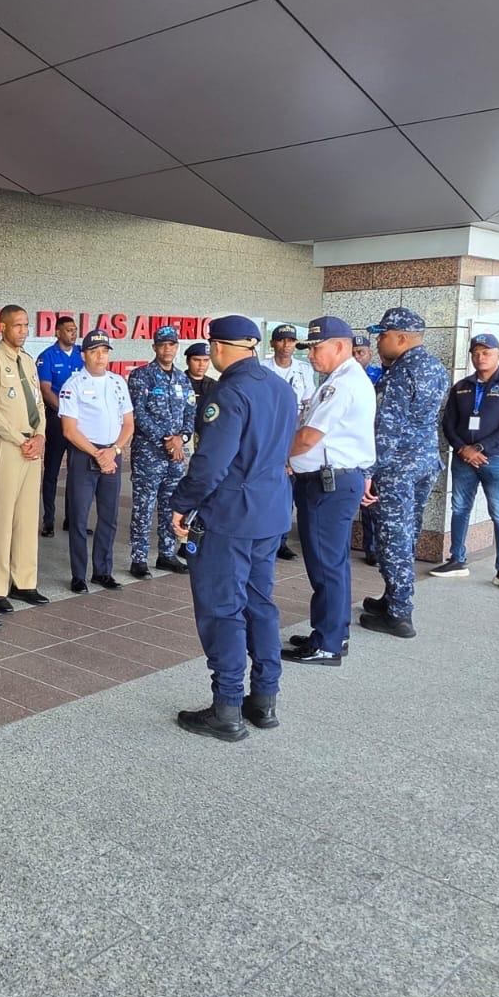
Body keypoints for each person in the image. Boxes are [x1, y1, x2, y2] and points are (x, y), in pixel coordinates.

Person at [170, 316, 297, 741]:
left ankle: (226, 708)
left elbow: (210, 464)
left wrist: (182, 504)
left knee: (222, 608)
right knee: (260, 604)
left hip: (230, 517)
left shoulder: (228, 391)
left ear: (219, 347)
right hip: (271, 511)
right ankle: (263, 700)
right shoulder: (280, 387)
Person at [279, 317, 376, 668]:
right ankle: (333, 631)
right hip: (329, 481)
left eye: (316, 347)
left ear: (339, 346)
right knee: (332, 564)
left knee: (325, 567)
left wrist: (273, 456)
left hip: (327, 485)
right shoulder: (338, 380)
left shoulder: (343, 385)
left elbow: (308, 437)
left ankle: (328, 643)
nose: (312, 355)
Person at [358, 307, 451, 640]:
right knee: (407, 532)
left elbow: (388, 427)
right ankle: (393, 597)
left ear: (401, 337)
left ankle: (399, 614)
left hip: (396, 466)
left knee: (393, 536)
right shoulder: (436, 368)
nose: (379, 341)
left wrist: (368, 471)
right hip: (425, 462)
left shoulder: (400, 373)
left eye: (382, 335)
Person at [433, 333, 499, 591]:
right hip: (464, 459)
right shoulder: (462, 386)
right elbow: (448, 424)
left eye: (486, 352)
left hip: (496, 459)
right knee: (459, 509)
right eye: (476, 353)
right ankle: (457, 559)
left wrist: (479, 448)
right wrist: (463, 449)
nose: (480, 357)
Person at [0, 304, 49, 613]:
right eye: (17, 325)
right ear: (2, 328)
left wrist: (40, 436)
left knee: (26, 516)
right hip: (8, 446)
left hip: (32, 445)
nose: (23, 330)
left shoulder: (29, 363)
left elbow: (39, 405)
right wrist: (21, 440)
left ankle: (24, 582)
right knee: (1, 517)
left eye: (26, 325)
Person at [58, 328, 133, 593]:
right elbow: (69, 430)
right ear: (84, 355)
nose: (100, 357)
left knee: (109, 517)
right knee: (79, 519)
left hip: (112, 454)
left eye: (104, 351)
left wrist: (113, 450)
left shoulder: (118, 382)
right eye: (94, 352)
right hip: (84, 455)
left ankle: (103, 571)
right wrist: (98, 454)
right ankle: (79, 575)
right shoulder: (73, 385)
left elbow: (128, 424)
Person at [127, 325, 196, 578]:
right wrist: (166, 440)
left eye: (172, 344)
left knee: (171, 505)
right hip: (149, 454)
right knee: (143, 507)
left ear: (177, 348)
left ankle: (167, 554)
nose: (168, 349)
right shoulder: (140, 376)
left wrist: (182, 438)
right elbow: (138, 414)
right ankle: (139, 558)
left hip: (176, 456)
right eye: (163, 344)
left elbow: (190, 414)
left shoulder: (183, 379)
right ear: (154, 347)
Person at [261, 324, 316, 561]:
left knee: (289, 493)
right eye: (282, 340)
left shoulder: (303, 369)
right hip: (268, 438)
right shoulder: (263, 368)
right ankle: (266, 538)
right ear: (273, 343)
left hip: (294, 438)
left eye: (291, 341)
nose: (286, 345)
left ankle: (281, 541)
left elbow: (309, 403)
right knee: (267, 491)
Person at [36, 315, 84, 536]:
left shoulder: (82, 355)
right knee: (52, 471)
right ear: (57, 332)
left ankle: (71, 519)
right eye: (68, 330)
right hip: (56, 420)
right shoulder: (47, 357)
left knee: (77, 471)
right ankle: (48, 520)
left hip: (80, 421)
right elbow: (45, 390)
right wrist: (65, 412)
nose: (72, 333)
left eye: (74, 330)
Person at [352, 331, 383, 566]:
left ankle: (372, 548)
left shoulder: (379, 377)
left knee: (371, 500)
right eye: (352, 353)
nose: (356, 357)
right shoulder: (339, 377)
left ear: (369, 354)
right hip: (350, 445)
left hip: (374, 446)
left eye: (360, 352)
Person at [184, 342, 217, 442]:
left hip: (207, 434)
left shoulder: (215, 385)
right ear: (188, 361)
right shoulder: (178, 382)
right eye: (196, 360)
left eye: (206, 360)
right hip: (184, 434)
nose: (201, 364)